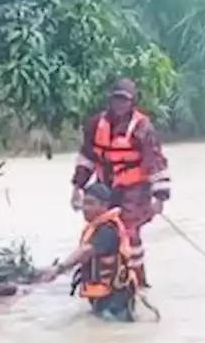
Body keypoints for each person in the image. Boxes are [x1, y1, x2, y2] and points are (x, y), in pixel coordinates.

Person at [71, 77, 168, 285]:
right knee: (101, 229)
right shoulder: (96, 124)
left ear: (132, 101)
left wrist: (160, 197)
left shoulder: (142, 127)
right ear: (110, 99)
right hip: (106, 187)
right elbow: (87, 157)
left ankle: (137, 281)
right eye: (116, 99)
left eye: (124, 100)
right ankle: (104, 277)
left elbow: (156, 162)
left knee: (129, 231)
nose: (120, 104)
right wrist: (77, 187)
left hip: (136, 189)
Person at [37, 183, 138, 321]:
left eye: (91, 203)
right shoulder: (96, 228)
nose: (85, 208)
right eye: (84, 203)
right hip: (103, 297)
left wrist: (59, 269)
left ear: (104, 205)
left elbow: (85, 252)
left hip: (115, 299)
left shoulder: (108, 229)